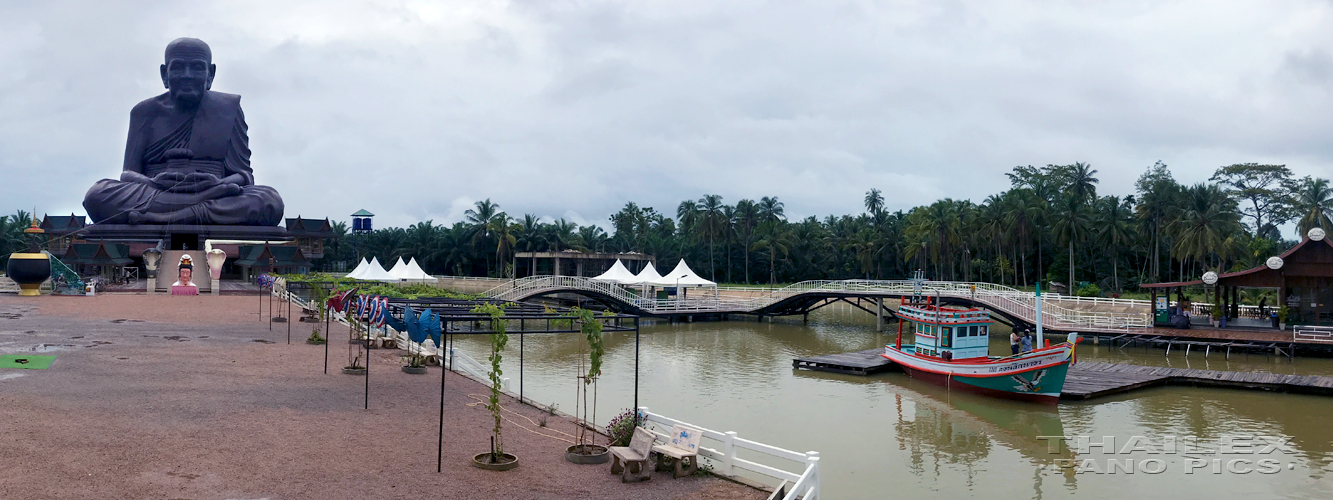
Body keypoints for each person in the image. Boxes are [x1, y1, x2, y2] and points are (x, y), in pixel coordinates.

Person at [83, 38, 283, 226]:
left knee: (269, 200)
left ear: (210, 74)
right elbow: (128, 174)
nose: (187, 75)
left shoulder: (228, 108)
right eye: (178, 67)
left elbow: (244, 175)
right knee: (97, 195)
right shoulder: (144, 112)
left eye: (197, 67)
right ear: (164, 74)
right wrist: (152, 182)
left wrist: (217, 183)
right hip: (159, 191)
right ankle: (196, 207)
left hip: (213, 190)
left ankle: (163, 216)